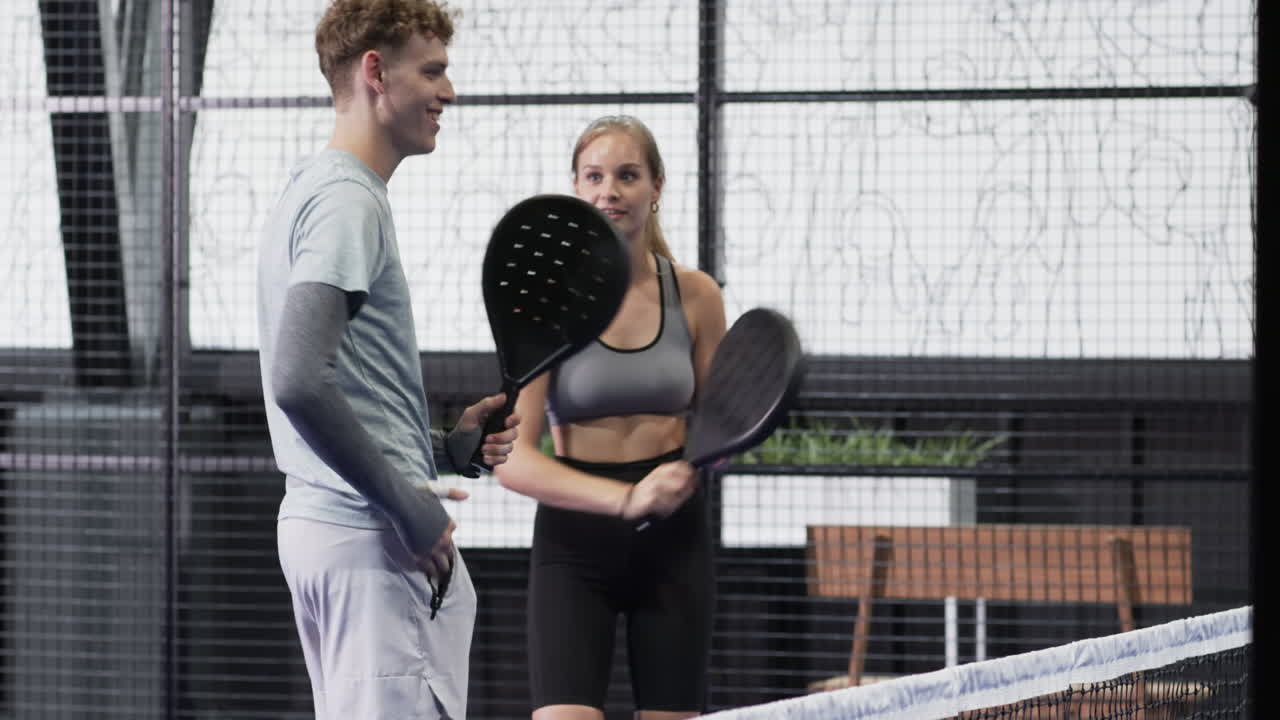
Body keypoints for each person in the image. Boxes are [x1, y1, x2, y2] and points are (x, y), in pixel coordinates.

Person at [256, 2, 519, 718]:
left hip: (329, 529)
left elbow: (335, 381)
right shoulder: (347, 200)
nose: (449, 92)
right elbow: (299, 381)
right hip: (364, 540)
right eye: (432, 71)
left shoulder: (313, 189)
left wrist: (439, 451)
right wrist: (408, 505)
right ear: (375, 72)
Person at [495, 115, 728, 720]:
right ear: (576, 188)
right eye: (594, 176)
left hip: (676, 540)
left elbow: (720, 424)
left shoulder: (697, 295)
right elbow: (513, 459)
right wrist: (624, 501)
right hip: (573, 544)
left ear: (656, 187)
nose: (610, 191)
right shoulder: (543, 300)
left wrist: (713, 454)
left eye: (627, 175)